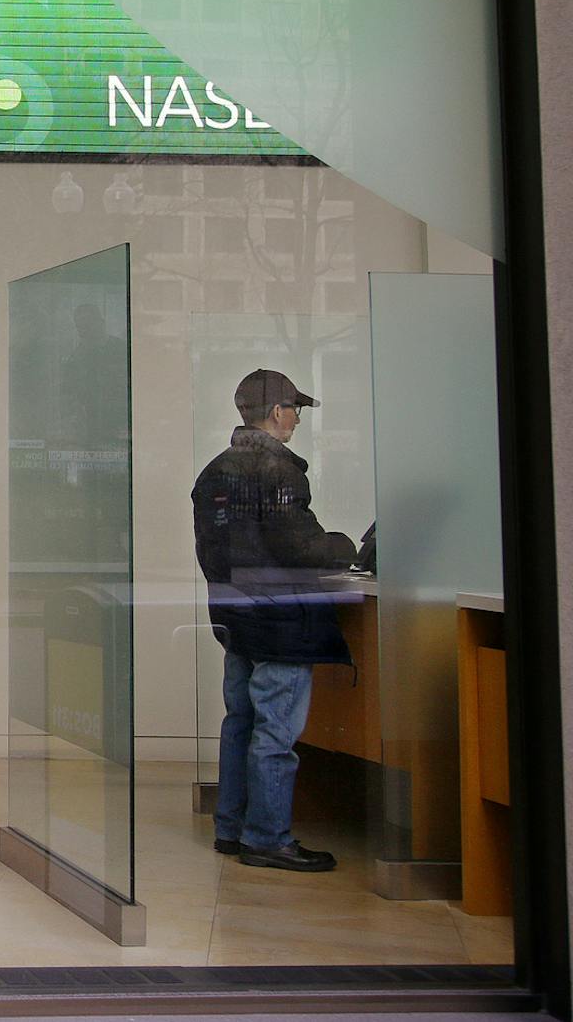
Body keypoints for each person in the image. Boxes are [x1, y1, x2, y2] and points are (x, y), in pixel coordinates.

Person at [192, 368, 359, 873]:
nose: (297, 421)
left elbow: (213, 550)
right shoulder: (278, 469)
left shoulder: (215, 469)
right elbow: (297, 545)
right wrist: (345, 547)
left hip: (236, 612)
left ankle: (231, 828)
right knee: (275, 734)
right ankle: (266, 838)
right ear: (279, 412)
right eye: (296, 411)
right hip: (280, 621)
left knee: (239, 721)